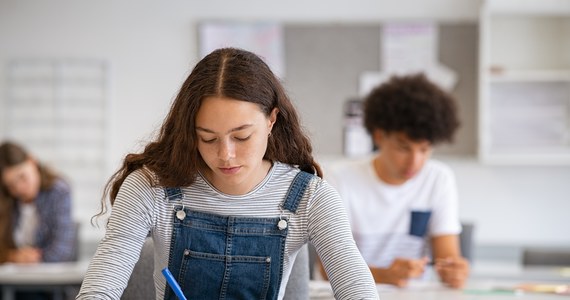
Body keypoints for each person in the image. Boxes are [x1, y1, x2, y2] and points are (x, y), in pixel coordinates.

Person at [76, 47, 379, 300]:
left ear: (272, 120)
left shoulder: (310, 198)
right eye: (207, 138)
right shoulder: (151, 187)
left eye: (242, 136)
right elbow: (99, 289)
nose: (225, 155)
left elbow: (357, 290)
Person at [325, 73, 469, 289]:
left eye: (424, 149)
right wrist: (384, 275)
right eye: (404, 147)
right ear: (379, 136)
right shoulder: (339, 179)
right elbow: (326, 269)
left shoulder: (438, 179)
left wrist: (454, 272)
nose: (415, 161)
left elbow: (447, 258)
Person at [0, 141, 77, 265]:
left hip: (50, 278)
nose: (19, 188)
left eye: (22, 177)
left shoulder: (58, 191)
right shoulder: (6, 199)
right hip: (11, 279)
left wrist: (32, 260)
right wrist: (13, 257)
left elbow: (62, 250)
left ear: (32, 161)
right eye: (11, 185)